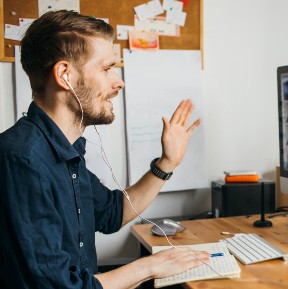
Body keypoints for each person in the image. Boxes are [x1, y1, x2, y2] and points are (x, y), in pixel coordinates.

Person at [0, 10, 210, 289]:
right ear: (65, 75)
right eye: (107, 68)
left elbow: (113, 213)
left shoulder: (64, 151)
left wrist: (167, 162)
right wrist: (150, 266)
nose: (118, 82)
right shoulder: (21, 160)